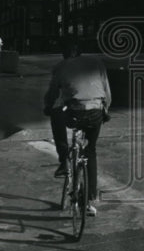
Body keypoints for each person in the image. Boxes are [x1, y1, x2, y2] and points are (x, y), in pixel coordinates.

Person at [43, 39, 111, 216]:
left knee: (56, 113)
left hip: (74, 112)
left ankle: (64, 159)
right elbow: (107, 93)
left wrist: (48, 107)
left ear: (64, 55)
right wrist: (105, 110)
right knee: (91, 151)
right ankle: (89, 200)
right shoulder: (96, 63)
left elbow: (52, 94)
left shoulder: (61, 66)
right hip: (96, 111)